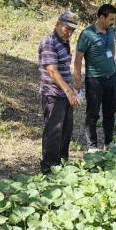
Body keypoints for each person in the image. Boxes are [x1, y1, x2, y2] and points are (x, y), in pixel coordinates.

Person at [38, 11, 81, 175]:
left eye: (72, 30)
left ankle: (61, 162)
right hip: (53, 94)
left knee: (66, 129)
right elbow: (52, 71)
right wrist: (69, 92)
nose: (69, 32)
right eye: (67, 28)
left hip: (64, 93)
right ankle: (48, 168)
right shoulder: (49, 42)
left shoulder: (63, 41)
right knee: (53, 131)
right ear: (57, 24)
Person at [74, 4, 116, 152]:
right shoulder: (87, 34)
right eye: (111, 19)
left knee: (110, 112)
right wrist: (77, 80)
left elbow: (111, 49)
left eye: (115, 19)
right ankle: (92, 146)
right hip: (95, 79)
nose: (113, 22)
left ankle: (108, 143)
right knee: (93, 114)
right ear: (101, 17)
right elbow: (78, 58)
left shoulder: (111, 30)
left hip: (111, 78)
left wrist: (112, 67)